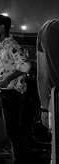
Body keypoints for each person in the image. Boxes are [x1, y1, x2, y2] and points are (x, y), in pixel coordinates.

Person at [0, 14, 30, 163]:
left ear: (1, 28)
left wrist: (7, 80)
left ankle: (20, 160)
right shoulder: (4, 45)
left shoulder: (11, 45)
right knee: (14, 132)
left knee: (13, 133)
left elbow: (25, 65)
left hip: (12, 95)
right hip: (8, 93)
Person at [37, 19, 59, 164]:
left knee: (56, 152)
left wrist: (45, 109)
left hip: (56, 103)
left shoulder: (46, 29)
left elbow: (42, 75)